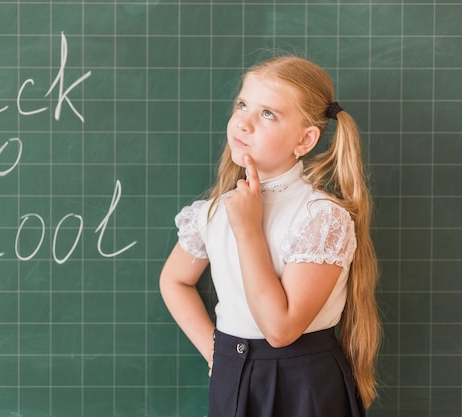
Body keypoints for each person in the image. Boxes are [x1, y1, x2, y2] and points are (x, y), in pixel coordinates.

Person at [159, 56, 379, 417]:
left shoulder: (320, 217)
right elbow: (175, 280)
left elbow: (280, 330)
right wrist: (216, 352)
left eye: (268, 114)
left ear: (305, 140)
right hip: (234, 377)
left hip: (303, 384)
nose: (243, 122)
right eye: (243, 105)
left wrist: (248, 231)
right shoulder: (213, 211)